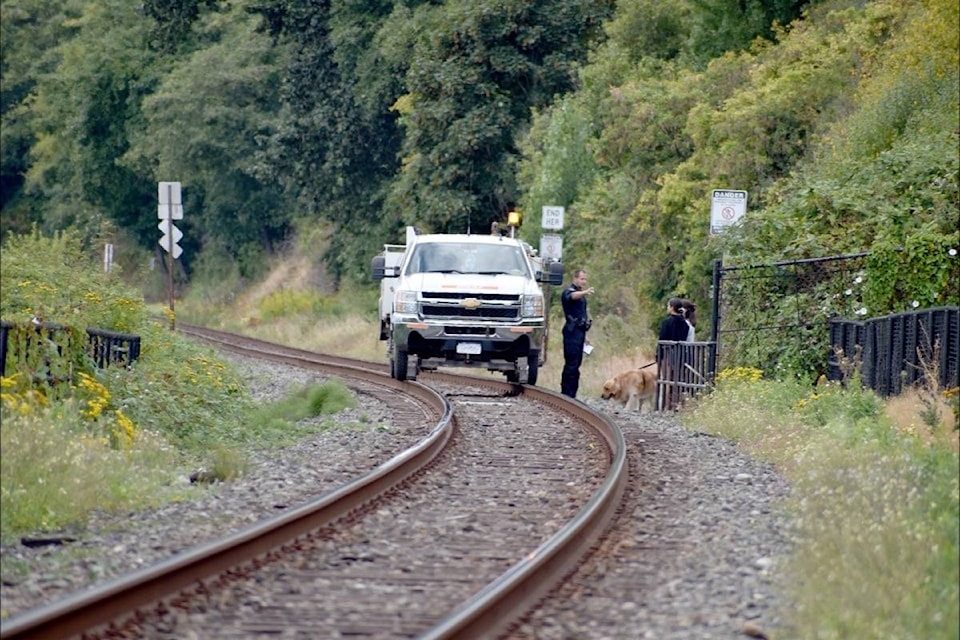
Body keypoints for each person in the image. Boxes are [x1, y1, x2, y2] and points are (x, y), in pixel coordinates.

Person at [560, 269, 594, 398]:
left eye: (585, 279)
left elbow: (581, 315)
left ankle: (572, 394)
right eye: (582, 279)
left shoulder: (581, 296)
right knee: (571, 363)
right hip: (571, 332)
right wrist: (584, 292)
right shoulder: (569, 292)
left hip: (579, 332)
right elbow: (572, 296)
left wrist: (585, 337)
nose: (584, 282)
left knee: (576, 364)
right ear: (575, 278)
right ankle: (566, 393)